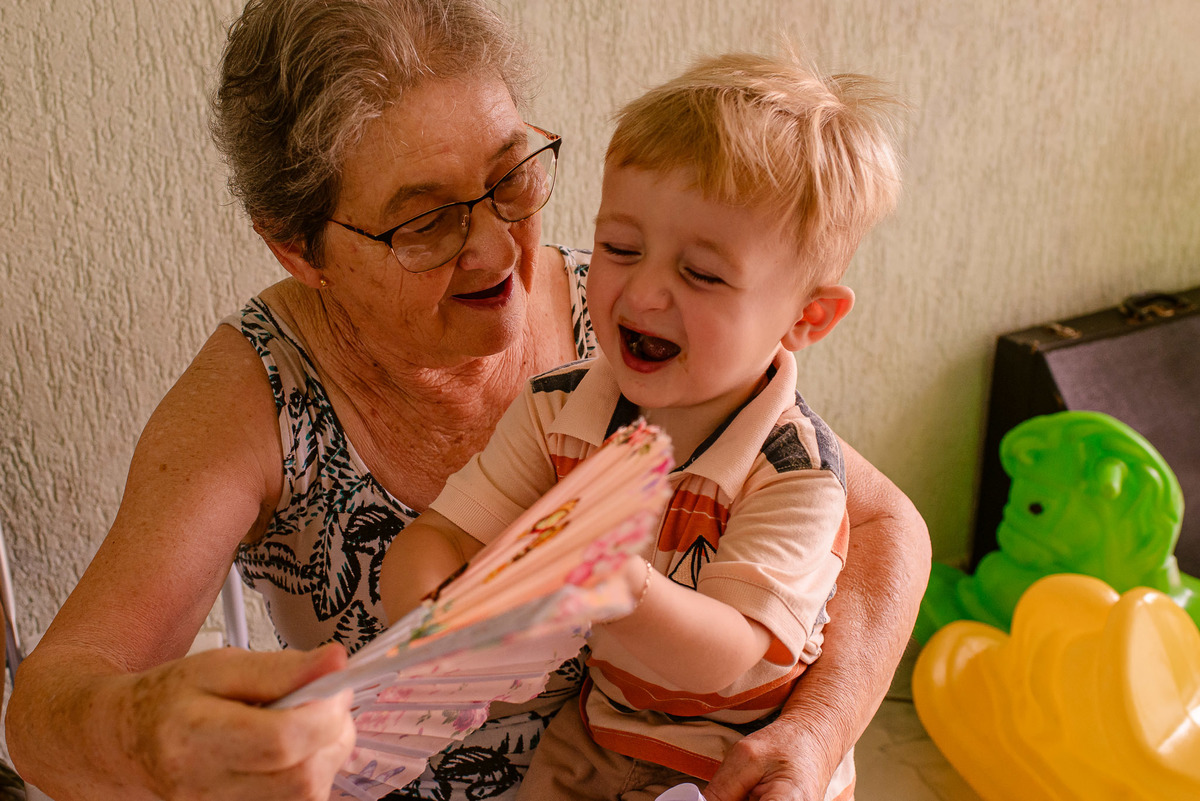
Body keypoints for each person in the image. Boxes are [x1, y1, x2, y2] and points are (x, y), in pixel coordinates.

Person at [4, 1, 930, 800]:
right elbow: (46, 707)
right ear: (298, 248)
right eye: (425, 221)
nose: (494, 250)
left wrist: (813, 733)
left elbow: (884, 525)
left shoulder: (634, 325)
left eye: (510, 179)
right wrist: (145, 732)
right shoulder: (263, 392)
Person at [379, 51, 903, 801]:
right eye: (620, 249)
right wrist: (434, 620)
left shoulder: (797, 471)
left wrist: (617, 583)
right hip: (600, 730)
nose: (644, 292)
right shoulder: (557, 409)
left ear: (805, 317)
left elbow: (725, 652)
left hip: (746, 759)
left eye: (702, 274)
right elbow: (444, 535)